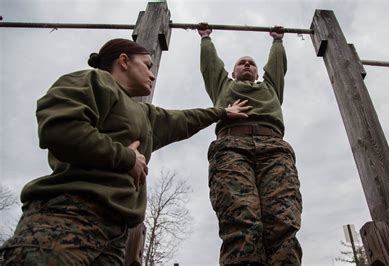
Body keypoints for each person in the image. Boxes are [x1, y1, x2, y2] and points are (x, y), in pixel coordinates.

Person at [0, 38, 251, 265]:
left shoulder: (143, 114)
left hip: (114, 238)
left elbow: (184, 119)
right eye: (147, 65)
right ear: (124, 61)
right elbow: (60, 129)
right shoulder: (92, 81)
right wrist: (126, 157)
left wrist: (221, 112)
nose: (152, 75)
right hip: (67, 219)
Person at [197, 24, 302, 265]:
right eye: (242, 63)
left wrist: (277, 41)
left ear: (257, 72)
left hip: (274, 149)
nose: (247, 65)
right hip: (232, 148)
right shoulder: (224, 86)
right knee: (241, 218)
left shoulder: (270, 88)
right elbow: (210, 66)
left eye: (251, 63)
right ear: (233, 72)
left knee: (283, 220)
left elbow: (277, 66)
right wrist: (205, 39)